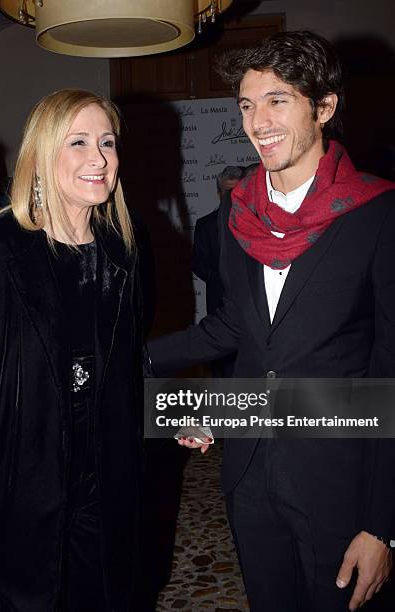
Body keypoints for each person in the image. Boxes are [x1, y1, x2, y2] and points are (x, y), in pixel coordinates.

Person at [149, 31, 395, 612]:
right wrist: (141, 357)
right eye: (246, 104)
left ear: (325, 107)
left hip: (340, 482)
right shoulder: (240, 215)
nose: (257, 121)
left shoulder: (378, 215)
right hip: (250, 473)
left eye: (277, 100)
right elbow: (242, 330)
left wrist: (382, 526)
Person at [0, 89, 143, 611]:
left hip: (104, 476)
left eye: (108, 142)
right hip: (16, 480)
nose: (99, 158)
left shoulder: (123, 245)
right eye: (79, 142)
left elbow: (130, 360)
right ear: (42, 154)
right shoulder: (0, 248)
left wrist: (173, 411)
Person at [192, 166, 248, 376]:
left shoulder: (258, 224)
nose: (231, 197)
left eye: (236, 191)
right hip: (219, 306)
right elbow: (199, 264)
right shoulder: (205, 225)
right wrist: (227, 281)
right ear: (218, 193)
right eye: (226, 191)